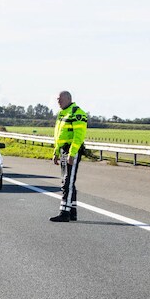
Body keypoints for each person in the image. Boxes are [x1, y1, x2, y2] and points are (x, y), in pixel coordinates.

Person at [50, 90, 88, 222]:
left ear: (68, 98)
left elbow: (78, 136)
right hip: (63, 151)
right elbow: (59, 136)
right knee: (67, 182)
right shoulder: (62, 113)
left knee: (68, 183)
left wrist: (72, 154)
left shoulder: (77, 113)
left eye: (60, 99)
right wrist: (56, 152)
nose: (58, 101)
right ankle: (72, 211)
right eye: (57, 99)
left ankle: (64, 213)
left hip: (72, 151)